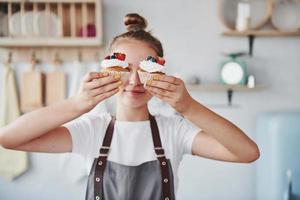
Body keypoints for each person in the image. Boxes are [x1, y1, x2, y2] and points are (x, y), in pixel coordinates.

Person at [0, 13, 259, 200]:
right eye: (125, 69)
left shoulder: (174, 131)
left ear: (160, 72)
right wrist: (76, 105)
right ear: (108, 70)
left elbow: (247, 153)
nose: (134, 80)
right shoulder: (92, 129)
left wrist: (189, 107)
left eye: (144, 70)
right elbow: (9, 138)